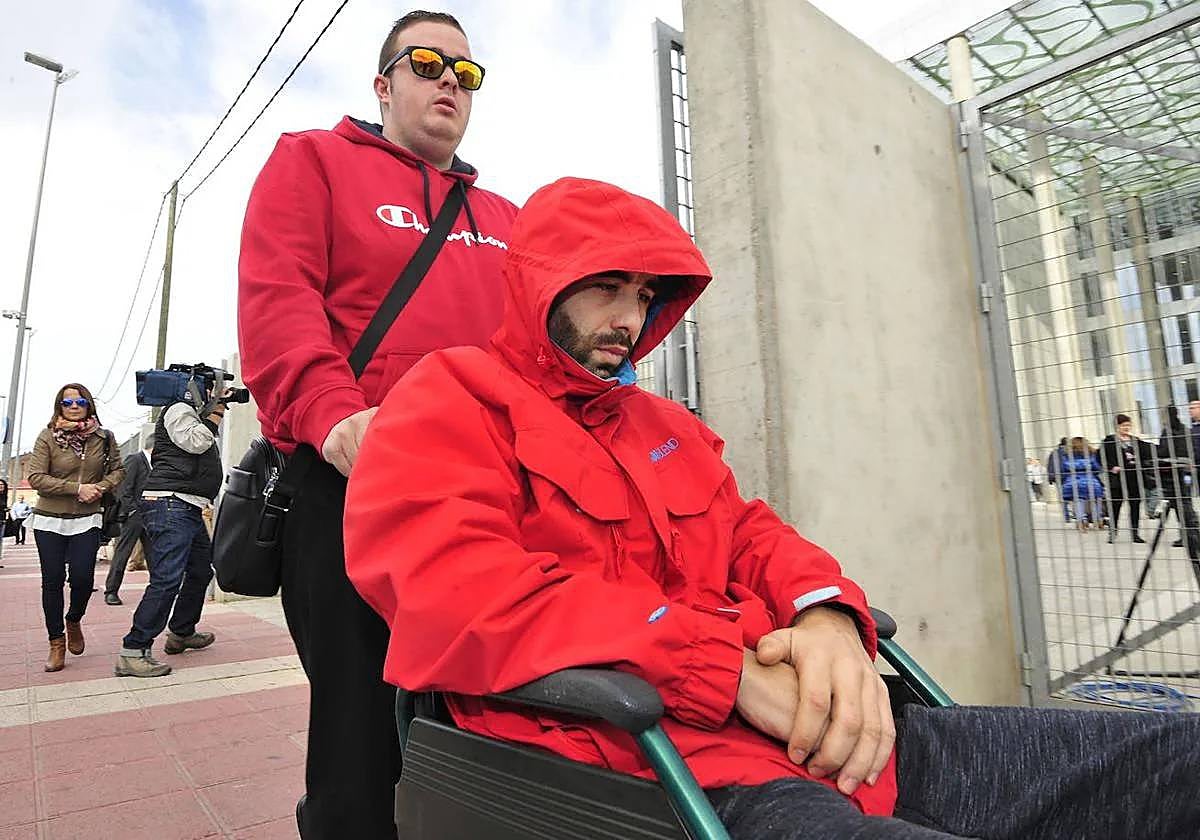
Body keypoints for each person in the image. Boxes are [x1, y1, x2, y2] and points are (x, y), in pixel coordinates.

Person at [342, 178, 1200, 839]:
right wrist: (724, 669)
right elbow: (453, 589)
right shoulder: (449, 399)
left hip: (828, 737)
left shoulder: (663, 423)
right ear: (539, 282)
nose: (630, 318)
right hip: (651, 769)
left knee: (1174, 760)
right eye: (606, 286)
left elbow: (753, 534)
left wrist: (827, 617)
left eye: (646, 296)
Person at [237, 9, 518, 837]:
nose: (449, 83)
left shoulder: (506, 218)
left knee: (493, 731)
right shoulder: (313, 162)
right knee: (361, 754)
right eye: (428, 64)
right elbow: (278, 304)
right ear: (383, 83)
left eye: (467, 74)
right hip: (354, 484)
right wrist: (338, 419)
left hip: (489, 502)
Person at [115, 387, 225, 678]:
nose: (218, 396)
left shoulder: (191, 414)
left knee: (201, 571)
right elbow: (197, 442)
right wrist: (214, 415)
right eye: (214, 390)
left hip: (186, 506)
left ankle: (181, 632)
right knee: (166, 579)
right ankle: (133, 649)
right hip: (170, 505)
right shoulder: (178, 408)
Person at [26, 384, 125, 672]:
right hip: (49, 519)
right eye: (67, 401)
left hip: (87, 518)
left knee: (82, 579)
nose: (73, 405)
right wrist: (76, 489)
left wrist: (101, 487)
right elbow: (35, 477)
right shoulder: (47, 437)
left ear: (89, 405)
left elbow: (118, 471)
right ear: (59, 406)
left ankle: (73, 618)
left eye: (79, 400)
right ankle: (56, 642)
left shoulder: (104, 438)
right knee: (52, 581)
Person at [104, 445, 153, 605]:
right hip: (134, 516)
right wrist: (132, 510)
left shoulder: (156, 463)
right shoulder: (135, 459)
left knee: (154, 554)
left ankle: (160, 587)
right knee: (123, 553)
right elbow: (124, 488)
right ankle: (111, 591)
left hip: (151, 515)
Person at [1099, 414, 1155, 544]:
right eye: (1124, 425)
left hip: (1134, 478)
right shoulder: (1109, 441)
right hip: (1117, 479)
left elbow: (1149, 451)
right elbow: (1100, 457)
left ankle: (1135, 533)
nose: (1126, 428)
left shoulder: (1135, 441)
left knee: (1135, 506)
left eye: (1128, 425)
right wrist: (1111, 467)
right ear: (1117, 426)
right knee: (1115, 506)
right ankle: (1113, 532)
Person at [1158, 405, 1199, 574]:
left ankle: (1190, 533)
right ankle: (1190, 531)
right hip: (1183, 474)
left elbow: (1164, 451)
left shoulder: (1168, 432)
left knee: (1181, 505)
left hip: (1175, 474)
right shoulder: (1185, 430)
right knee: (1184, 503)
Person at [1059, 436, 1104, 531]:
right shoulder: (1091, 455)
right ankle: (1098, 519)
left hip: (1073, 481)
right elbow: (1097, 468)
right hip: (1091, 480)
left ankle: (1082, 520)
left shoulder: (1066, 456)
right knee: (1096, 499)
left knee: (1078, 500)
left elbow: (1063, 470)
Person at [1045, 437, 1070, 521]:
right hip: (1068, 475)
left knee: (1063, 496)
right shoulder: (1070, 451)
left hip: (1058, 476)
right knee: (1073, 495)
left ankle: (1066, 515)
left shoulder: (1054, 452)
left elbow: (1050, 465)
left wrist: (1050, 477)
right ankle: (1074, 514)